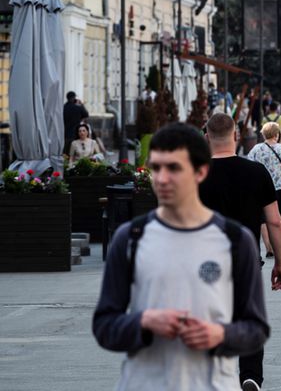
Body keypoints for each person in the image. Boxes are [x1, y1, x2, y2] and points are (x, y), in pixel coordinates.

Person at [92, 123, 270, 391]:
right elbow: (104, 325)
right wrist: (143, 322)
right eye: (156, 168)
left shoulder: (235, 240)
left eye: (174, 168)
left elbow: (256, 330)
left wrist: (220, 334)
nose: (162, 178)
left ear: (201, 172)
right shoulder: (131, 238)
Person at [201, 114, 281, 391]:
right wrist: (280, 263)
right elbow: (274, 221)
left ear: (206, 138)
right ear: (236, 136)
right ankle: (250, 376)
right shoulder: (256, 172)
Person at [247, 122, 281, 253]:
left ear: (263, 134)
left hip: (261, 187)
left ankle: (268, 247)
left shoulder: (256, 149)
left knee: (263, 218)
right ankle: (277, 246)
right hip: (280, 187)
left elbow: (249, 165)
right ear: (277, 134)